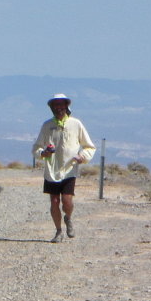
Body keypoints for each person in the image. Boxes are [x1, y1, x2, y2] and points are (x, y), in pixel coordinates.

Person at [32, 93, 96, 243]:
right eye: (56, 105)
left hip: (69, 170)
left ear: (66, 106)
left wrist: (83, 157)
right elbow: (36, 148)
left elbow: (89, 146)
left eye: (61, 105)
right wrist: (43, 153)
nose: (59, 108)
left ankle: (68, 217)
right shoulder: (47, 126)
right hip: (51, 171)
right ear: (52, 107)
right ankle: (58, 231)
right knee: (54, 201)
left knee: (67, 201)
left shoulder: (76, 124)